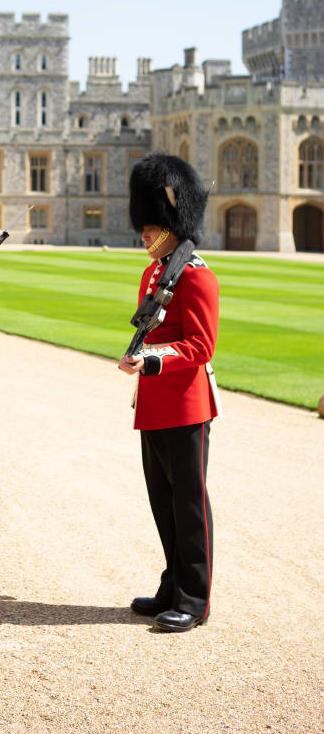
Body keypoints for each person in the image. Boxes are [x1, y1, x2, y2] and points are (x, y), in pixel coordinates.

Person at [118, 151, 220, 633]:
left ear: (172, 224)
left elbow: (200, 345)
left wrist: (154, 360)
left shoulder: (195, 274)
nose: (144, 234)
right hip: (154, 402)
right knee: (162, 500)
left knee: (189, 503)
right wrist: (137, 354)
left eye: (151, 227)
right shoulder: (155, 272)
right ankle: (172, 582)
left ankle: (194, 597)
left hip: (185, 404)